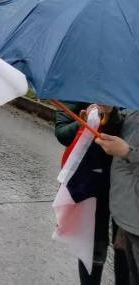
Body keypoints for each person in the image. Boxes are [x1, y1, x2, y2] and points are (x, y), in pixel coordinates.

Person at [56, 103, 125, 285]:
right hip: (91, 180)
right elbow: (62, 134)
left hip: (127, 182)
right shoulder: (77, 88)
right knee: (93, 242)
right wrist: (83, 123)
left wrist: (112, 114)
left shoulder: (129, 89)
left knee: (124, 246)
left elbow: (126, 132)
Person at [95, 109, 139, 284]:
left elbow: (127, 147)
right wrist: (110, 113)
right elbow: (123, 129)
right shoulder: (134, 104)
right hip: (127, 212)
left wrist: (128, 152)